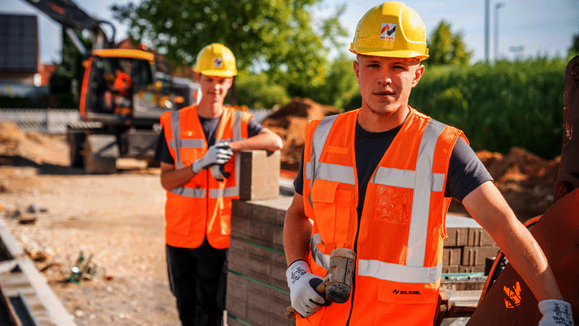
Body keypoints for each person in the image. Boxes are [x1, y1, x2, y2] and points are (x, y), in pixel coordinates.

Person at [282, 2, 574, 326]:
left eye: (398, 67)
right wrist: (297, 271)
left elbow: (505, 227)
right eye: (374, 65)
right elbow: (297, 214)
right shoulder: (322, 137)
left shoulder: (443, 148)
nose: (384, 79)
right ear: (356, 69)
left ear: (417, 74)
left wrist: (554, 305)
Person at [154, 43, 283, 326]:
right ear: (198, 77)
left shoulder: (239, 121)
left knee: (212, 311)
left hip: (216, 235)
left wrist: (232, 145)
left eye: (222, 80)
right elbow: (166, 179)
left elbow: (275, 141)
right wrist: (198, 165)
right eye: (210, 79)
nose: (215, 87)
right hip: (180, 234)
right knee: (186, 308)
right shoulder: (174, 123)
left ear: (230, 81)